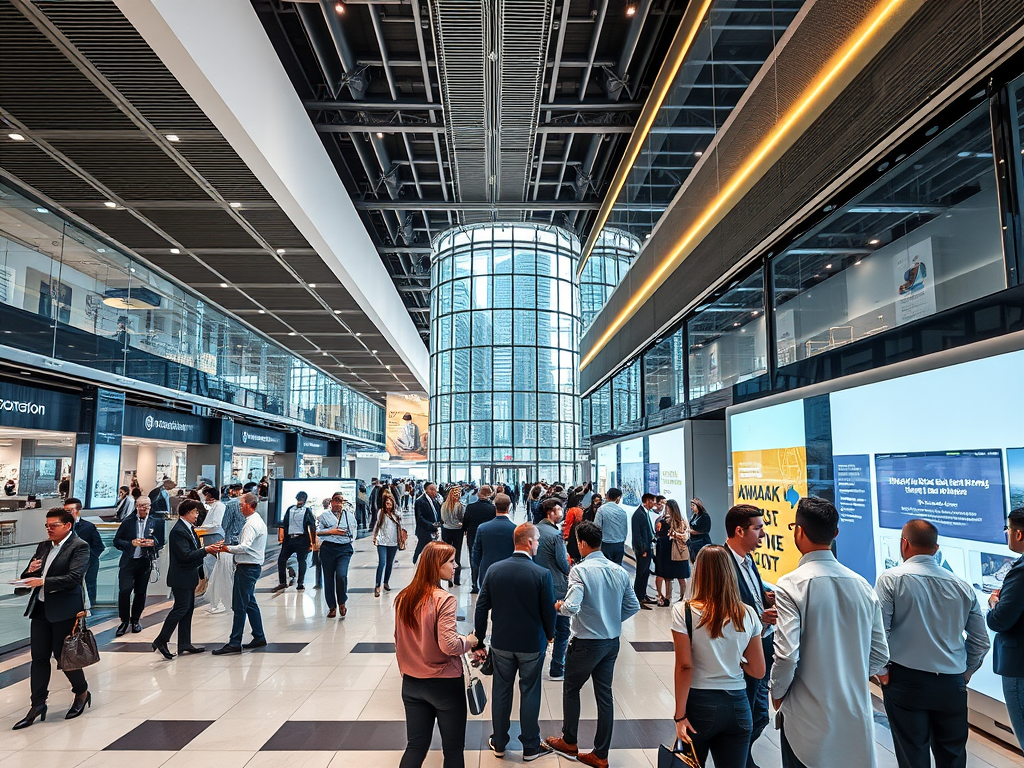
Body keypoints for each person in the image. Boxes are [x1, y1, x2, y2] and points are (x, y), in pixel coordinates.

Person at [770, 497, 889, 768]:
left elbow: (787, 656)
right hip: (854, 719)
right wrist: (848, 672)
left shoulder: (791, 585)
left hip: (806, 720)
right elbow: (880, 655)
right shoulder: (862, 585)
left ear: (798, 532)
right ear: (835, 534)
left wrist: (777, 692)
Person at [875, 519, 989, 768]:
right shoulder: (963, 586)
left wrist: (882, 673)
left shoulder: (890, 579)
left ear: (904, 544)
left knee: (912, 756)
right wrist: (965, 674)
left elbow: (878, 634)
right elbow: (981, 642)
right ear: (936, 549)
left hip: (906, 681)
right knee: (953, 757)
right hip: (951, 684)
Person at [545, 521, 641, 768]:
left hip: (586, 642)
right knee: (604, 696)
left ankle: (569, 740)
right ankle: (601, 754)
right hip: (611, 643)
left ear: (583, 544)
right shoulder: (618, 570)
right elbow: (633, 605)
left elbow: (571, 606)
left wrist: (558, 607)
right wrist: (608, 618)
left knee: (571, 688)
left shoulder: (580, 570)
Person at [672, 546, 766, 768]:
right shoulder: (748, 613)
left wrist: (679, 716)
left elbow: (685, 667)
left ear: (699, 572)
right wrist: (736, 661)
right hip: (739, 707)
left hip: (699, 706)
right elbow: (759, 670)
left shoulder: (683, 611)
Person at [473, 523, 556, 760]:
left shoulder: (495, 570)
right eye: (537, 539)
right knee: (530, 691)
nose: (538, 543)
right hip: (531, 644)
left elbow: (481, 607)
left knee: (501, 691)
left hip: (501, 643)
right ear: (529, 543)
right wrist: (549, 634)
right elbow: (548, 611)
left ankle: (499, 742)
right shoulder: (542, 574)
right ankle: (530, 747)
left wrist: (479, 639)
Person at [394, 541, 477, 768]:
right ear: (435, 566)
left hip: (411, 683)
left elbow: (398, 640)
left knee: (415, 747)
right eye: (451, 561)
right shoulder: (444, 599)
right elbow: (449, 645)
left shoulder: (403, 597)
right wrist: (468, 641)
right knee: (452, 751)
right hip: (443, 684)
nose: (456, 565)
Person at [13, 507, 91, 730]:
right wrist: (29, 572)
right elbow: (32, 576)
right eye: (47, 525)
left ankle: (81, 691)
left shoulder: (79, 546)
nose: (49, 529)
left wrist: (44, 582)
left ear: (67, 525)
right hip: (40, 609)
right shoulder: (44, 546)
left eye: (53, 525)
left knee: (64, 657)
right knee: (38, 658)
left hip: (64, 610)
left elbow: (75, 578)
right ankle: (37, 705)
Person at [723, 503, 777, 768]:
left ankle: (742, 755)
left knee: (760, 714)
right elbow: (719, 609)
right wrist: (759, 617)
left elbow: (748, 597)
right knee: (748, 712)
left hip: (762, 645)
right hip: (740, 652)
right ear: (739, 531)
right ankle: (738, 758)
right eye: (758, 528)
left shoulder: (747, 559)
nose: (763, 535)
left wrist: (765, 601)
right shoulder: (720, 561)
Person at [152, 499, 219, 659]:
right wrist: (206, 550)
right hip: (181, 577)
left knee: (188, 609)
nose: (197, 515)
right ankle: (161, 640)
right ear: (188, 513)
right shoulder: (179, 531)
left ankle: (184, 642)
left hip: (189, 576)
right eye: (195, 512)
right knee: (181, 608)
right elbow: (185, 555)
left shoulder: (188, 528)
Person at [211, 492, 268, 654]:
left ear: (251, 505)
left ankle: (235, 641)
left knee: (239, 605)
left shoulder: (251, 524)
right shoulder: (255, 521)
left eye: (242, 505)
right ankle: (259, 636)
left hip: (247, 568)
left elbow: (244, 547)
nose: (240, 508)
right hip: (251, 567)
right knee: (249, 603)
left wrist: (225, 548)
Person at [986, 505, 1024, 744]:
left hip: (1020, 668)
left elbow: (1000, 620)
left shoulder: (1020, 572)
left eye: (1007, 529)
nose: (1007, 534)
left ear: (1018, 534)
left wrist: (993, 604)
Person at [112, 495, 164, 636]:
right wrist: (131, 543)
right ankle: (124, 621)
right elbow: (116, 541)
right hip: (128, 562)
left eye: (147, 506)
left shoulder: (157, 522)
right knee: (124, 591)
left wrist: (153, 543)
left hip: (144, 561)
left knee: (140, 592)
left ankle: (135, 620)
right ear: (137, 506)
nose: (144, 509)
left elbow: (161, 541)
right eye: (142, 506)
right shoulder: (128, 521)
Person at [535, 498, 571, 680]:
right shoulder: (555, 535)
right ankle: (557, 668)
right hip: (556, 587)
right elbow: (563, 564)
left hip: (535, 586)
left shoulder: (533, 530)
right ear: (551, 512)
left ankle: (534, 667)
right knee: (562, 629)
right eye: (560, 510)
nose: (562, 513)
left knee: (539, 627)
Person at [317, 491, 358, 618]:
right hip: (328, 548)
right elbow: (318, 531)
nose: (338, 504)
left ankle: (342, 601)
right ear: (331, 502)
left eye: (341, 501)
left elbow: (353, 531)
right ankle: (332, 607)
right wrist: (331, 531)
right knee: (328, 579)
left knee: (341, 575)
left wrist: (349, 538)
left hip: (344, 549)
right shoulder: (324, 516)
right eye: (336, 500)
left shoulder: (349, 516)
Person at [196, 486, 230, 614]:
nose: (204, 497)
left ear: (209, 495)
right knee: (210, 571)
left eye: (206, 495)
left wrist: (200, 528)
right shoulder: (214, 506)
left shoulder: (219, 506)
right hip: (208, 538)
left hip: (214, 537)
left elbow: (216, 523)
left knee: (216, 572)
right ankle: (215, 601)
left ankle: (220, 602)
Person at [63, 498, 103, 607]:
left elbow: (99, 546)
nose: (66, 513)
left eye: (69, 510)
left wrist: (88, 558)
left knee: (89, 584)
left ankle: (91, 607)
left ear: (77, 510)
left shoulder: (88, 527)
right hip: (68, 563)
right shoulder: (62, 527)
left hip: (89, 563)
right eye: (65, 510)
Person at [471, 493, 516, 585]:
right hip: (509, 572)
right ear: (509, 507)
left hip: (487, 570)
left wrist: (477, 567)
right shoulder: (516, 529)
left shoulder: (482, 528)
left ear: (494, 506)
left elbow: (476, 552)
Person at [275, 491, 316, 592]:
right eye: (299, 498)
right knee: (281, 559)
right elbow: (284, 524)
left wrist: (313, 542)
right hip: (289, 539)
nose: (300, 500)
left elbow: (312, 526)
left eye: (302, 499)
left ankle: (300, 582)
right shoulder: (290, 509)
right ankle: (282, 582)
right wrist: (282, 537)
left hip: (302, 539)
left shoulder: (307, 511)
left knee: (301, 560)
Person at [655, 499, 690, 606]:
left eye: (668, 508)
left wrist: (675, 535)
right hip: (667, 551)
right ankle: (667, 597)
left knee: (681, 576)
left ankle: (683, 597)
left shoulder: (681, 521)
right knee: (668, 576)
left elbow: (685, 537)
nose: (667, 510)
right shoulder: (663, 520)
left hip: (678, 551)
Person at [463, 485, 496, 593]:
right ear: (490, 495)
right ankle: (488, 582)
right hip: (488, 536)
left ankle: (474, 584)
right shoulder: (493, 509)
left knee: (474, 559)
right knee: (486, 558)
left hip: (473, 535)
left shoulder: (470, 507)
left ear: (478, 494)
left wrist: (464, 530)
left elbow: (465, 523)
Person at [373, 490, 403, 598]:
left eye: (390, 503)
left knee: (390, 563)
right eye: (387, 503)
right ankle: (377, 585)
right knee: (382, 562)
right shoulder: (381, 513)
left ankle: (386, 581)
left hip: (393, 542)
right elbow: (377, 525)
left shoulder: (397, 514)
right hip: (382, 541)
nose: (388, 506)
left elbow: (400, 526)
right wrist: (375, 537)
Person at [631, 493, 657, 609]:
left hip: (648, 547)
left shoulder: (644, 513)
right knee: (641, 573)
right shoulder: (638, 514)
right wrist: (642, 550)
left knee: (646, 573)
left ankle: (643, 595)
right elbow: (637, 535)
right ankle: (638, 597)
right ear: (647, 501)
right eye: (652, 501)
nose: (654, 504)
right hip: (643, 550)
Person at [439, 486, 465, 587]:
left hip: (446, 530)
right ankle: (457, 579)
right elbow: (461, 518)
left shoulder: (443, 505)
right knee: (457, 554)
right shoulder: (460, 506)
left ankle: (448, 578)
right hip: (457, 531)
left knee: (447, 554)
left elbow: (442, 518)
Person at [594, 489, 628, 565]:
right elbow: (625, 530)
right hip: (619, 544)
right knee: (617, 568)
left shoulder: (601, 510)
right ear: (618, 498)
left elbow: (596, 527)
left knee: (605, 568)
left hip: (606, 544)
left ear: (607, 496)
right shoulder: (622, 511)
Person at [413, 482, 442, 562]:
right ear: (426, 490)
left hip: (434, 530)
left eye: (435, 490)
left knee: (431, 549)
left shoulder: (435, 501)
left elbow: (438, 513)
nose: (434, 492)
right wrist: (431, 525)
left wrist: (439, 523)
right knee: (422, 547)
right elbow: (419, 518)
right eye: (431, 489)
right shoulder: (420, 501)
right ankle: (415, 561)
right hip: (424, 530)